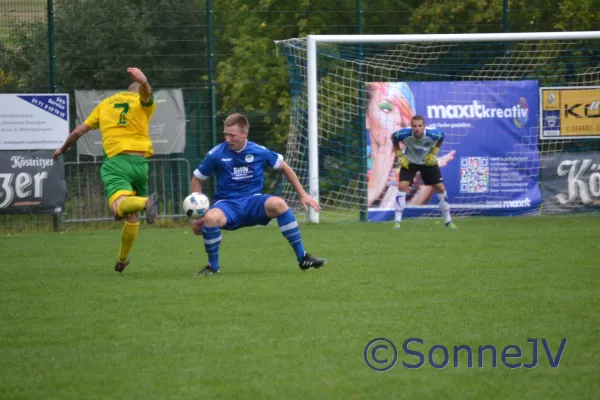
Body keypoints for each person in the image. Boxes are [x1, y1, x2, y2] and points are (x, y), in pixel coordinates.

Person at [189, 113, 326, 275]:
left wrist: (303, 194)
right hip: (227, 205)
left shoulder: (258, 151)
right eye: (225, 134)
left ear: (244, 134)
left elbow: (284, 167)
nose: (227, 139)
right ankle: (213, 267)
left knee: (279, 204)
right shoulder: (216, 154)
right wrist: (198, 215)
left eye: (232, 135)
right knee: (211, 218)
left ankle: (303, 258)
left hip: (253, 202)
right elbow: (197, 179)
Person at [53, 67, 159, 273]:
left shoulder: (106, 104)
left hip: (117, 162)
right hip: (140, 163)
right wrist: (146, 82)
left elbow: (78, 131)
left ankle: (145, 202)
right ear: (138, 91)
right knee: (131, 215)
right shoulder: (141, 102)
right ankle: (121, 260)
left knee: (118, 207)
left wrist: (62, 148)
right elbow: (147, 95)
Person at [366, 82, 456, 209]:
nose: (398, 121)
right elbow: (359, 209)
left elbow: (398, 213)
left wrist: (425, 181)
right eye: (386, 109)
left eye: (405, 116)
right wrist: (376, 184)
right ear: (366, 118)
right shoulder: (360, 159)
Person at [391, 115, 457, 229]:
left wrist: (434, 153)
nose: (417, 128)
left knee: (440, 188)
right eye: (414, 126)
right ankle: (397, 222)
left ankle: (448, 222)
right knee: (402, 186)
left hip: (427, 162)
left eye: (419, 126)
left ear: (424, 126)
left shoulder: (434, 134)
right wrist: (399, 155)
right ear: (411, 127)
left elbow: (442, 137)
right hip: (410, 162)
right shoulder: (403, 134)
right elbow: (394, 138)